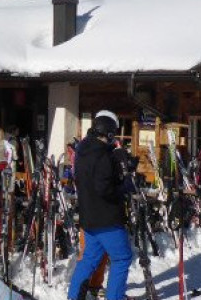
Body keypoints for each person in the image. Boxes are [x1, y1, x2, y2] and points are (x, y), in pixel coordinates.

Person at [67, 111, 135, 300]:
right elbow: (105, 189)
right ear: (109, 132)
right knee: (121, 259)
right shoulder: (102, 155)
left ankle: (74, 296)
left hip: (89, 217)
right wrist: (124, 186)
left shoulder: (82, 150)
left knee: (89, 259)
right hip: (106, 219)